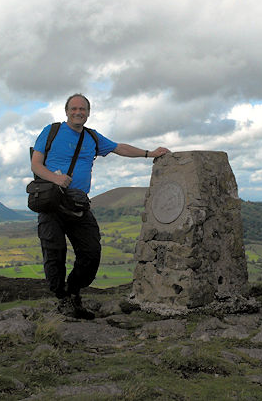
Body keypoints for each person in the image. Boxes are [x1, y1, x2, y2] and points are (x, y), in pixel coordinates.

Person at [31, 93, 170, 319]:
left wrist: (149, 154)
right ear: (66, 111)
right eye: (74, 108)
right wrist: (55, 179)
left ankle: (73, 290)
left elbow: (119, 148)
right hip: (51, 201)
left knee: (91, 252)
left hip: (78, 203)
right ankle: (63, 299)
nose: (78, 112)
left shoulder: (92, 138)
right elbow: (36, 164)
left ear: (88, 112)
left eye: (83, 109)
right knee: (54, 252)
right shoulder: (51, 131)